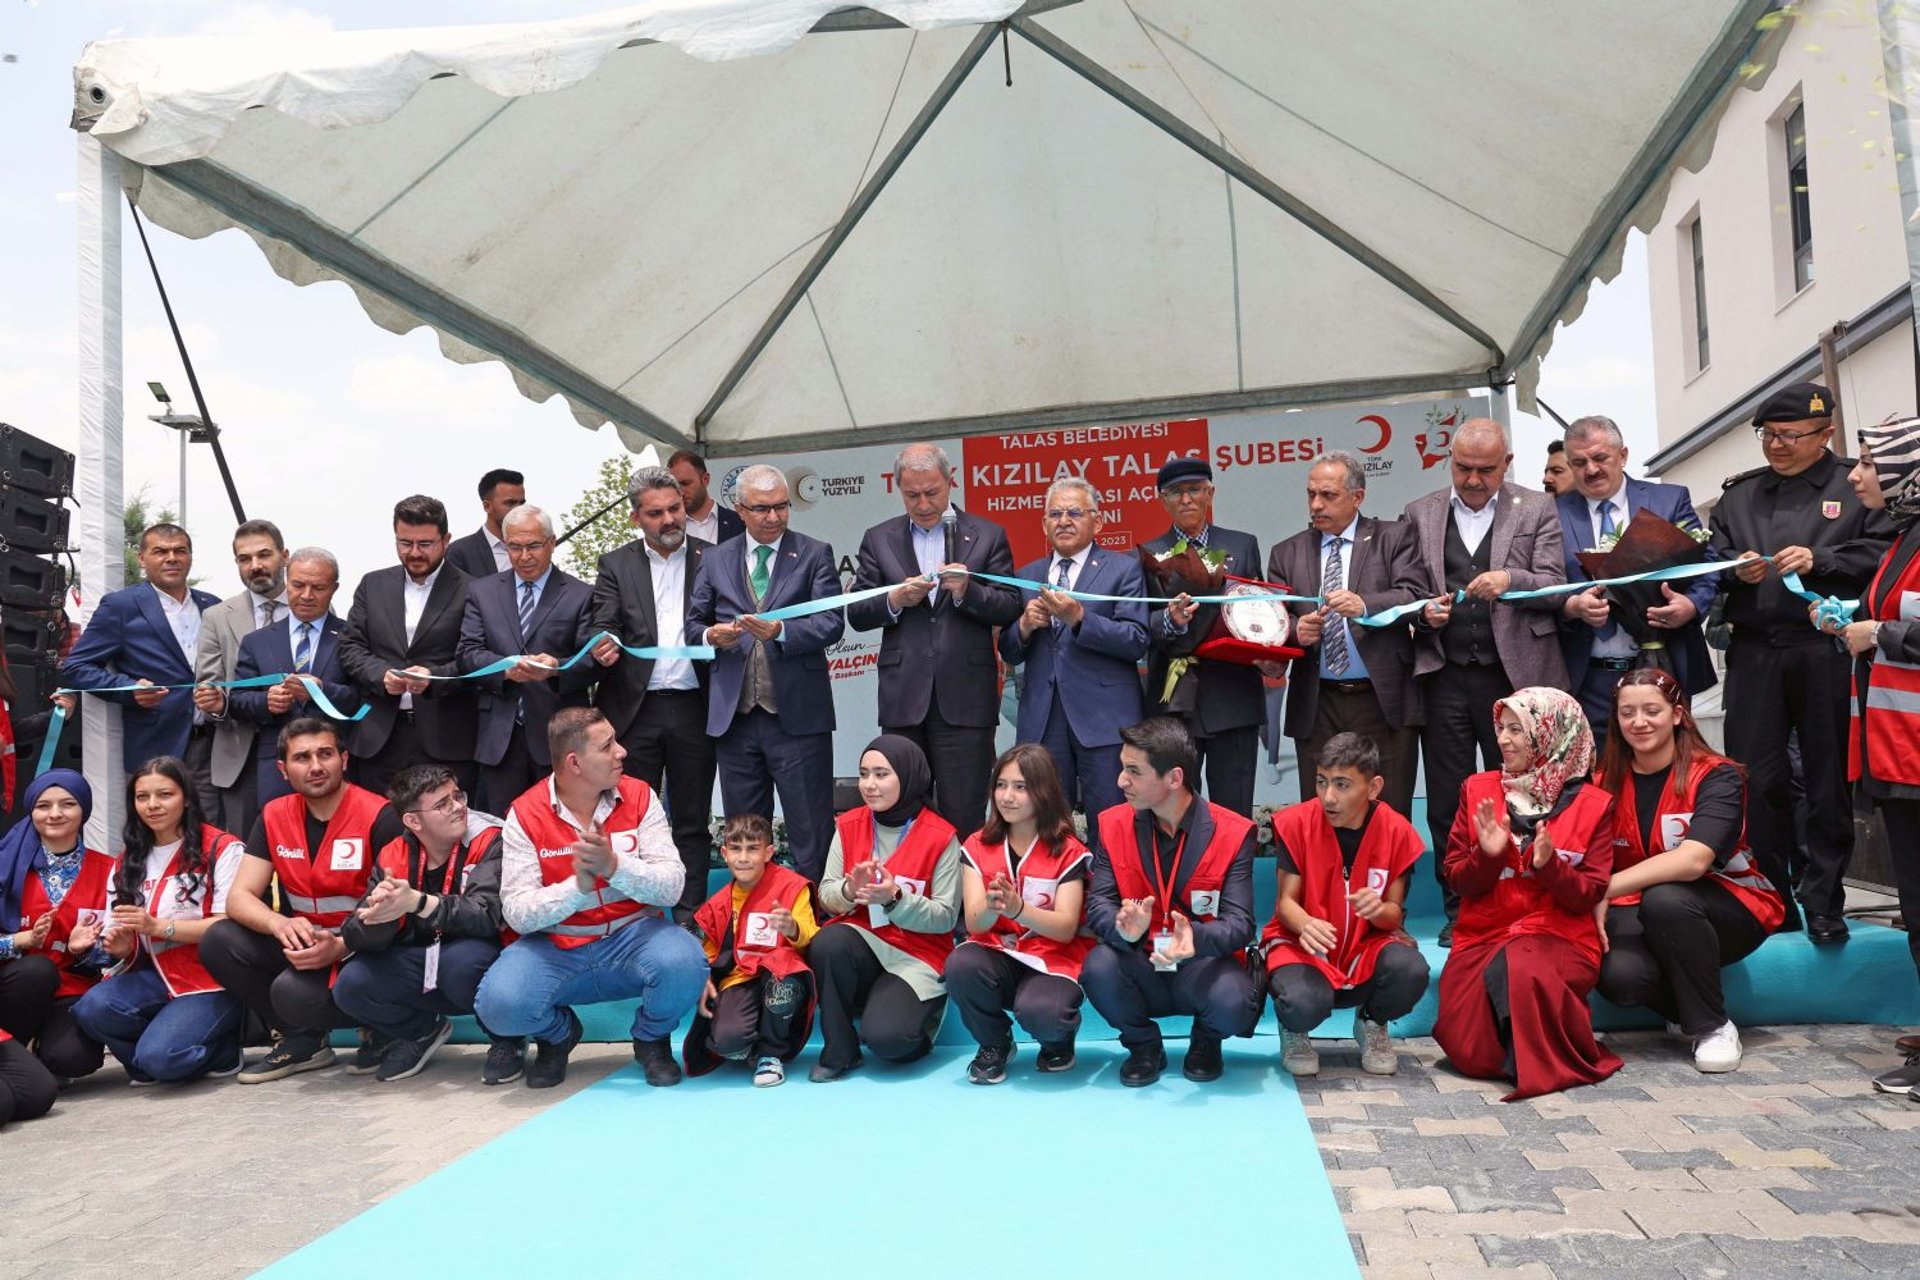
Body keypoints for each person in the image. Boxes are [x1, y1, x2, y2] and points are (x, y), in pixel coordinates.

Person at [1711, 384, 1893, 942]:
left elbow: (1882, 554)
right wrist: (1733, 571)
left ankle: (1824, 901)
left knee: (1826, 780)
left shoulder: (1854, 485)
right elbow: (1709, 562)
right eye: (1768, 435)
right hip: (1755, 654)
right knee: (1755, 779)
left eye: (1790, 436)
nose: (1777, 445)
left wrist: (1822, 558)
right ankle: (1772, 902)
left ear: (1825, 434)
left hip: (1825, 652)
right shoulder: (1739, 496)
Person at [473, 708, 707, 1089]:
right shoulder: (525, 813)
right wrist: (577, 889)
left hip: (633, 938)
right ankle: (558, 1035)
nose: (622, 751)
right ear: (575, 763)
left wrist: (614, 866)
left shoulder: (640, 795)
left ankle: (651, 1039)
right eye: (607, 746)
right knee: (498, 1005)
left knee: (687, 961)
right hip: (556, 947)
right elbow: (516, 912)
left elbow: (672, 887)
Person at [1403, 419, 1569, 944]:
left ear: (1508, 463)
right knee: (1448, 800)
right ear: (1449, 461)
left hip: (1514, 678)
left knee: (1524, 794)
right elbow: (1405, 589)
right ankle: (1460, 911)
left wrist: (1510, 580)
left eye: (1486, 469)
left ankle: (1525, 903)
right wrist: (1421, 613)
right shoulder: (1420, 512)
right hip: (1445, 675)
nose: (1473, 479)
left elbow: (1557, 586)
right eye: (1463, 468)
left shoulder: (1537, 508)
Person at [1433, 687, 1620, 1100]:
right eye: (1501, 728)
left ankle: (1535, 1060)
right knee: (1468, 1048)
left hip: (1561, 936)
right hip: (1484, 934)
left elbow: (1588, 895)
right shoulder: (1477, 789)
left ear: (1552, 733)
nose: (1502, 739)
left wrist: (1549, 866)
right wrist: (1486, 856)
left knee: (1523, 965)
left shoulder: (1595, 804)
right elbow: (1457, 879)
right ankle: (1534, 1050)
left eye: (1516, 730)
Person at [1594, 669, 1782, 1074]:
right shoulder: (1602, 782)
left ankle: (1713, 1027)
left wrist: (1604, 889)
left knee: (1667, 899)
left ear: (1677, 714)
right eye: (1627, 713)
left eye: (1652, 711)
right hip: (1638, 908)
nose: (1639, 722)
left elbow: (1694, 860)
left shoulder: (1717, 775)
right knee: (1621, 977)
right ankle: (1681, 1008)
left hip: (1730, 906)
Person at [1811, 415, 1920, 1096]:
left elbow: (1899, 628)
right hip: (1898, 753)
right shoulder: (1905, 534)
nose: (1854, 475)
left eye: (1870, 463)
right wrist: (1849, 621)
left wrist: (1880, 633)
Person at [199, 719, 401, 1083]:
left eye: (325, 754)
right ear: (283, 769)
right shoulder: (274, 815)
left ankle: (387, 1028)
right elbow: (239, 898)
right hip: (310, 943)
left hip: (369, 949)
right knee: (219, 939)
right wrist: (279, 923)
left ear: (344, 759)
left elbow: (394, 906)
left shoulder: (380, 815)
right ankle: (303, 1041)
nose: (316, 766)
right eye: (302, 757)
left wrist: (343, 944)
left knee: (293, 993)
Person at [847, 443, 1021, 837]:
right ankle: (906, 878)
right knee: (902, 812)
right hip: (903, 700)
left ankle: (964, 880)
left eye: (932, 492)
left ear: (950, 481)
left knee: (966, 813)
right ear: (898, 489)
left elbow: (1010, 605)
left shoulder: (987, 535)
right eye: (912, 495)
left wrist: (967, 592)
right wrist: (895, 599)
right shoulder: (879, 538)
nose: (923, 504)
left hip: (966, 699)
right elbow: (856, 612)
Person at [687, 465, 844, 881]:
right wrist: (711, 636)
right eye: (762, 509)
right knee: (745, 837)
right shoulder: (715, 559)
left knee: (811, 832)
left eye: (781, 506)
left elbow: (832, 623)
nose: (773, 517)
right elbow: (692, 625)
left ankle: (815, 915)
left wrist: (782, 632)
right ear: (739, 509)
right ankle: (753, 916)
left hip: (798, 721)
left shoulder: (814, 553)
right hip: (735, 722)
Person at [1084, 717, 1258, 1087]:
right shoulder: (1112, 824)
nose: (1121, 781)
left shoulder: (1234, 832)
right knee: (1098, 968)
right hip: (1141, 960)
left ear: (1174, 778)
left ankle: (1206, 1040)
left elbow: (1241, 923)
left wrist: (1195, 937)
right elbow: (1098, 904)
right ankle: (1143, 1046)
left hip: (1201, 964)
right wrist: (1124, 927)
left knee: (1235, 1002)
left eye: (1134, 771)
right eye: (1122, 768)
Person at [589, 466, 718, 920]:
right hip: (633, 711)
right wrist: (603, 643)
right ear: (635, 518)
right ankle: (634, 915)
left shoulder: (714, 557)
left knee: (691, 821)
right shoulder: (615, 564)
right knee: (629, 820)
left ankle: (690, 917)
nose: (669, 520)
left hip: (695, 707)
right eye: (656, 513)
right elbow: (603, 621)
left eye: (675, 509)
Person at [71, 758, 248, 1083]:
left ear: (187, 798)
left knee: (161, 1058)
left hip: (210, 979)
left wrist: (156, 927)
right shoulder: (127, 861)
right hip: (154, 977)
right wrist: (121, 946)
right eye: (142, 797)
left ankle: (220, 1049)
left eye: (165, 794)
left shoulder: (223, 848)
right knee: (91, 1009)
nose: (152, 805)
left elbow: (228, 927)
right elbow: (122, 936)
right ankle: (160, 1051)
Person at [1268, 452, 1426, 818]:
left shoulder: (1394, 537)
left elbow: (1415, 596)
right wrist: (1296, 630)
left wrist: (1365, 605)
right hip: (1317, 702)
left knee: (1389, 816)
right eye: (1311, 494)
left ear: (1358, 497)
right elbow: (1273, 620)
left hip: (1382, 700)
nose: (1316, 505)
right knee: (1322, 817)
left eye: (1328, 495)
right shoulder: (1286, 553)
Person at [1262, 733, 1429, 1078]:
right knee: (1303, 1003)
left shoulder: (1397, 831)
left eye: (1342, 785)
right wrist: (1305, 923)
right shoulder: (1296, 824)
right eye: (1321, 782)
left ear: (1373, 787)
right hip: (1304, 948)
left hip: (1365, 947)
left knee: (1410, 970)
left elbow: (1394, 915)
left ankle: (1371, 1023)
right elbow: (1285, 903)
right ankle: (1294, 1030)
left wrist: (1377, 910)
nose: (1328, 797)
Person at [335, 765, 513, 1083]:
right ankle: (421, 1032)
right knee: (352, 982)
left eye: (457, 796)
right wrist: (382, 917)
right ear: (413, 821)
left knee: (463, 963)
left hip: (478, 956)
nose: (458, 807)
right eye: (443, 804)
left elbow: (486, 915)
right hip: (422, 961)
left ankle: (507, 1039)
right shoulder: (394, 853)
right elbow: (354, 932)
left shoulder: (490, 838)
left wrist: (418, 903)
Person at [1554, 415, 1719, 737]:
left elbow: (1705, 567)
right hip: (1588, 678)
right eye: (1579, 463)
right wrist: (1571, 606)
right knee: (1598, 766)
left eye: (1600, 458)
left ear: (1623, 455)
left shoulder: (1669, 500)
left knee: (1667, 763)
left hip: (1664, 663)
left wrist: (1691, 606)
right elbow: (1544, 581)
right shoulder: (1552, 513)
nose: (1591, 470)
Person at [998, 478, 1148, 830]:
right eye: (1055, 514)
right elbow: (1009, 650)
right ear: (1044, 524)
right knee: (1044, 825)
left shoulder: (1123, 569)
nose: (1063, 521)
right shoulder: (1027, 576)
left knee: (1113, 826)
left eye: (1075, 513)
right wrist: (1024, 626)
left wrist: (1080, 618)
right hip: (1043, 720)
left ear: (1098, 522)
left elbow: (1136, 639)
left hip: (1104, 720)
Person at [809, 736, 960, 1081]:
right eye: (864, 774)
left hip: (917, 954)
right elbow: (827, 895)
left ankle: (911, 1019)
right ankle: (839, 1050)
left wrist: (895, 898)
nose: (869, 784)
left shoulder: (941, 836)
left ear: (908, 776)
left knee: (890, 1041)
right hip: (864, 942)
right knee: (829, 942)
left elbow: (946, 917)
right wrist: (850, 890)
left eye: (881, 774)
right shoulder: (849, 824)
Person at [947, 743, 1094, 1084]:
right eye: (1001, 785)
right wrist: (990, 905)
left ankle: (1058, 1042)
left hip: (1053, 958)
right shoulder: (977, 845)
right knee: (961, 965)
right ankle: (994, 1042)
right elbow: (974, 924)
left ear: (1043, 792)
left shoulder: (1068, 850)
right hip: (999, 953)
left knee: (1043, 1012)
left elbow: (1065, 928)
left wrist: (1019, 909)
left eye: (1020, 787)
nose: (1007, 796)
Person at [60, 523, 222, 808]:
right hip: (155, 747)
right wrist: (128, 689)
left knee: (209, 830)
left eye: (180, 551)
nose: (171, 558)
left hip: (213, 746)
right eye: (160, 551)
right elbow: (76, 667)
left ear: (190, 557)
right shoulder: (121, 606)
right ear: (142, 558)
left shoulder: (212, 606)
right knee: (153, 830)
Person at [1141, 456, 1266, 817]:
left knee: (1235, 814)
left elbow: (1260, 607)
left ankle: (1235, 860)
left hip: (1234, 695)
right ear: (1162, 500)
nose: (1186, 499)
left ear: (1210, 493)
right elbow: (1140, 624)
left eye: (1195, 489)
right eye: (1175, 492)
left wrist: (1270, 649)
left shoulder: (1242, 545)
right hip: (1175, 703)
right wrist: (1170, 620)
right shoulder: (1148, 553)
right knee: (1175, 815)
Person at [339, 495, 481, 801]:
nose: (414, 552)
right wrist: (381, 675)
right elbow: (350, 646)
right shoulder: (372, 585)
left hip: (446, 738)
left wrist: (434, 678)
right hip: (379, 739)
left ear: (446, 540)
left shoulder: (474, 589)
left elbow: (476, 658)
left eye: (425, 544)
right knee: (378, 824)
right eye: (405, 543)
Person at [458, 505, 601, 807]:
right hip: (499, 737)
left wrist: (557, 668)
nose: (524, 556)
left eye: (533, 546)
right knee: (501, 825)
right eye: (515, 547)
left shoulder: (581, 594)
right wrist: (504, 669)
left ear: (552, 542)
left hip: (560, 737)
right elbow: (467, 654)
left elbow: (592, 661)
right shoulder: (482, 592)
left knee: (562, 824)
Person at [683, 813, 817, 1088]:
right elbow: (707, 954)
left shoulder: (792, 887)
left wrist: (792, 928)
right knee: (726, 1043)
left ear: (769, 852)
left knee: (782, 978)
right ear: (724, 853)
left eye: (753, 848)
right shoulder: (718, 903)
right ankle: (752, 1047)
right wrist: (703, 979)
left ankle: (770, 1054)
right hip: (740, 979)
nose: (743, 857)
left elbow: (812, 938)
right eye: (736, 848)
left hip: (782, 975)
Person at [0, 770, 113, 1081]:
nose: (55, 814)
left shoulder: (109, 870)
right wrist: (19, 941)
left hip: (70, 988)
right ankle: (11, 1058)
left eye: (67, 804)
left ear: (84, 810)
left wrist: (87, 951)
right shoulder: (6, 867)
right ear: (31, 812)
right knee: (36, 971)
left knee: (74, 1059)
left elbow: (118, 954)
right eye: (43, 806)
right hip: (13, 986)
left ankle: (37, 1055)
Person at [228, 547, 362, 809]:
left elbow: (365, 698)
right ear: (286, 582)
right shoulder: (257, 641)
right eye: (298, 585)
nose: (307, 596)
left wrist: (322, 691)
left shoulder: (352, 636)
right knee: (278, 832)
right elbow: (236, 701)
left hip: (336, 765)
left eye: (318, 588)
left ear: (334, 588)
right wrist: (267, 702)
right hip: (276, 767)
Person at [193, 519, 290, 837]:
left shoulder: (311, 606)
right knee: (243, 850)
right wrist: (215, 703)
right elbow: (208, 685)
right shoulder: (217, 617)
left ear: (284, 556)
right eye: (244, 558)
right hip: (240, 754)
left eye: (264, 555)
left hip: (301, 750)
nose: (255, 565)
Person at [445, 468, 525, 579]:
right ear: (487, 506)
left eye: (521, 503)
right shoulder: (461, 552)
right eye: (510, 503)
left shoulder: (536, 548)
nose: (518, 510)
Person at [667, 449, 745, 547]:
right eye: (674, 486)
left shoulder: (740, 522)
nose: (680, 492)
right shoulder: (669, 527)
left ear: (705, 479)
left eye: (686, 483)